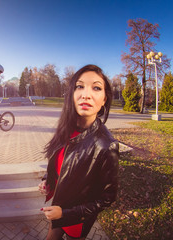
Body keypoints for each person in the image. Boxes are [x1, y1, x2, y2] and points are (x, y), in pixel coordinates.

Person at [38, 64, 119, 240]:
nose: (86, 94)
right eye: (79, 86)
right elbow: (61, 164)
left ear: (104, 99)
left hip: (76, 219)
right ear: (72, 95)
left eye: (96, 88)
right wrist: (47, 180)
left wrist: (65, 214)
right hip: (58, 207)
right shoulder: (65, 129)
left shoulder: (106, 145)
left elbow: (107, 197)